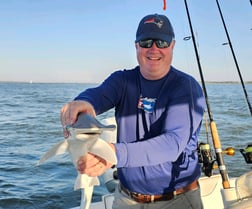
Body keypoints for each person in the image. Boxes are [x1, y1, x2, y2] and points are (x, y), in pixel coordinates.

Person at [61, 13, 205, 209]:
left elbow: (172, 144)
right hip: (126, 198)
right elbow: (98, 95)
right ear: (136, 46)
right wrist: (80, 105)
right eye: (146, 42)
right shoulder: (122, 80)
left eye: (162, 42)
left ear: (172, 45)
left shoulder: (185, 87)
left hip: (177, 199)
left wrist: (111, 153)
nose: (154, 49)